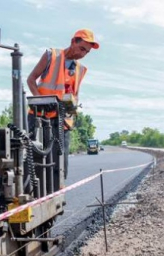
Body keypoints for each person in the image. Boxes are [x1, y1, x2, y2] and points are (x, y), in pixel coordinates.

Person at [27, 28, 99, 179]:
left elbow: (74, 95)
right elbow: (31, 79)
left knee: (60, 165)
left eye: (86, 52)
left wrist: (71, 110)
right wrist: (41, 101)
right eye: (82, 49)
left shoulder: (80, 69)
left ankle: (56, 195)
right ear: (73, 42)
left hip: (62, 122)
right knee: (35, 161)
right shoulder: (51, 56)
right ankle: (34, 196)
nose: (83, 54)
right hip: (39, 117)